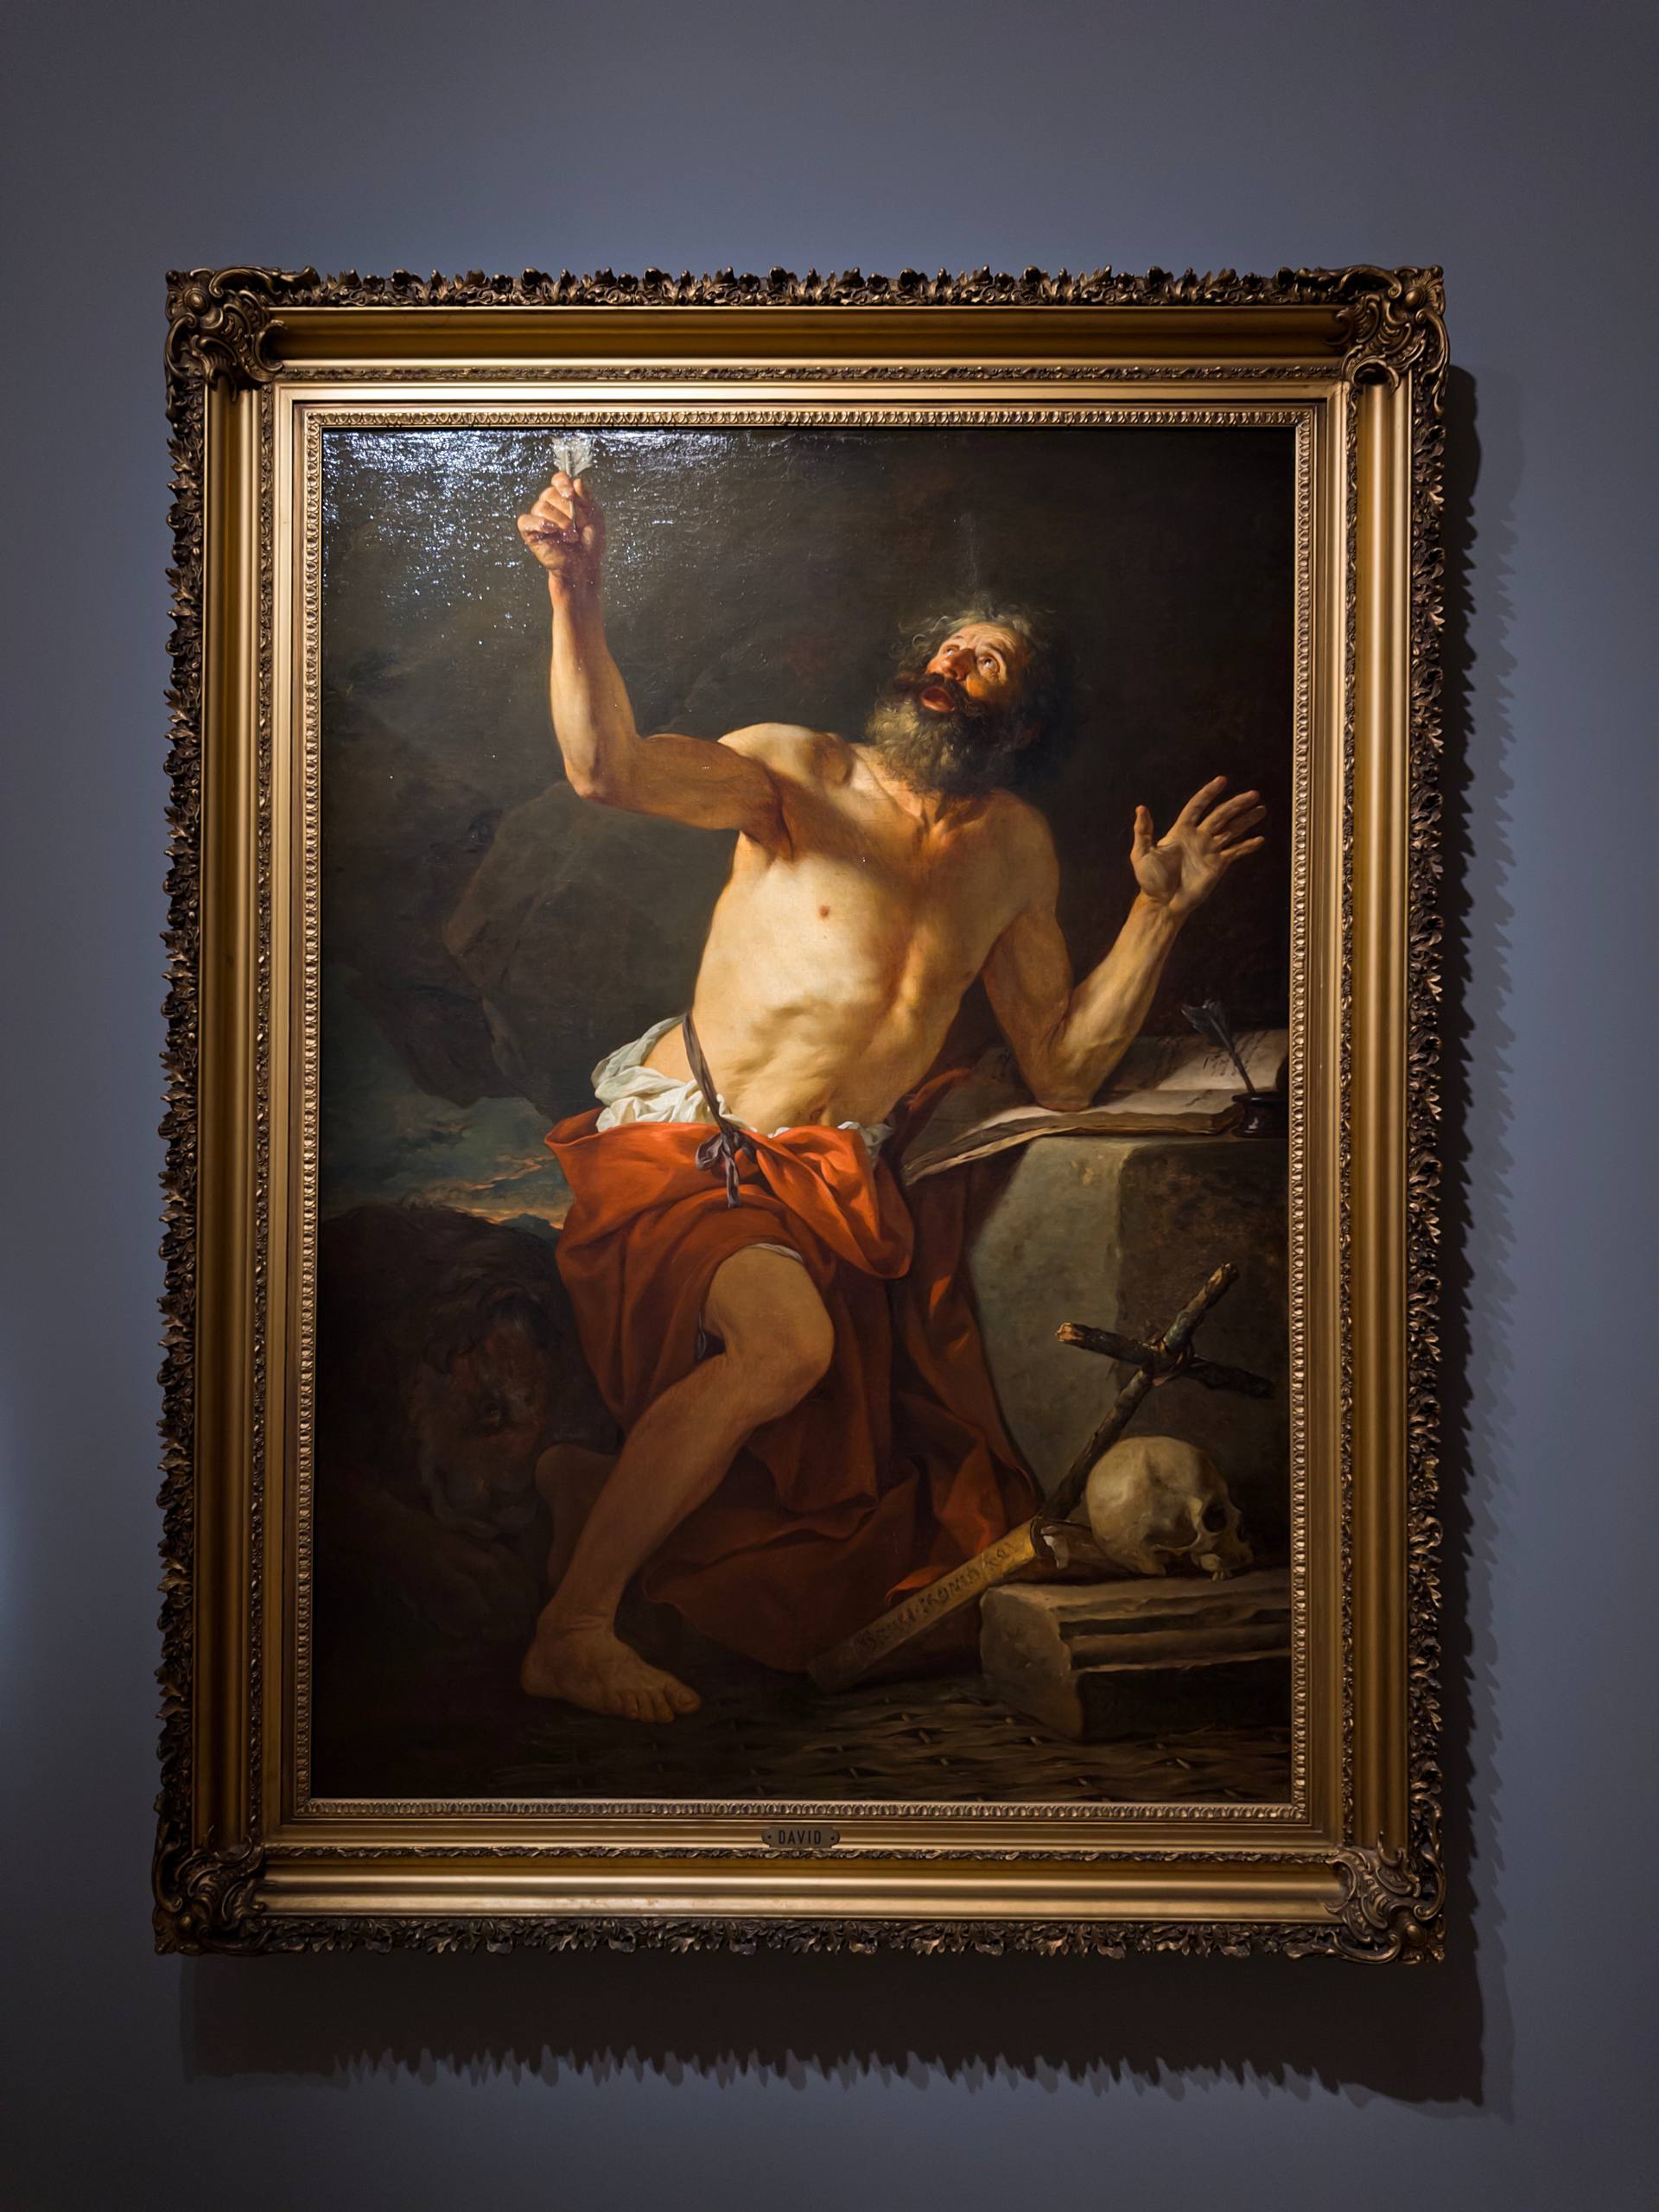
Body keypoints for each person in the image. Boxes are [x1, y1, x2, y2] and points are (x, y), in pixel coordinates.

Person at [513, 467, 1267, 1720]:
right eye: (950, 647)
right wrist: (574, 590)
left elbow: (1061, 1066)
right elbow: (607, 771)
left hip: (826, 1185)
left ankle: (593, 1502)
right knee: (787, 1350)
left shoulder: (1015, 850)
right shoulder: (797, 773)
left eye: (991, 660)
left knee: (850, 1494)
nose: (957, 665)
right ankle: (572, 1630)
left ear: (1020, 721)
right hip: (689, 1147)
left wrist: (1159, 914)